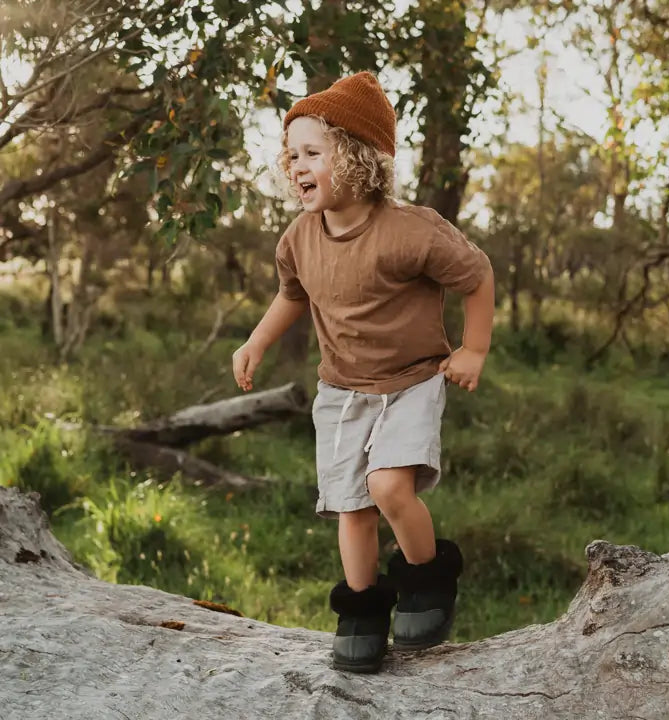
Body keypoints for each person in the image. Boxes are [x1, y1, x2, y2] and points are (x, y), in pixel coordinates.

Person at [232, 71, 494, 673]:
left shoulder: (410, 230)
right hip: (342, 391)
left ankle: (427, 580)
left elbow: (476, 275)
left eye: (313, 153)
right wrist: (256, 342)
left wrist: (474, 348)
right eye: (290, 154)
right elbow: (291, 295)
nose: (296, 165)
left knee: (387, 487)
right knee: (350, 505)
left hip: (411, 382)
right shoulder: (298, 238)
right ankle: (361, 611)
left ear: (355, 157)